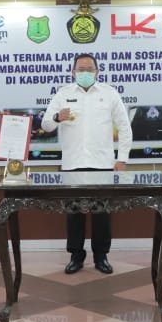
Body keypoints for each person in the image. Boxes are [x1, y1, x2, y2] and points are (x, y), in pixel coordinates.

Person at [41, 53, 132, 274]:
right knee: (74, 213)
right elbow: (45, 125)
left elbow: (124, 126)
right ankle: (76, 256)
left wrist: (122, 159)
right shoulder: (63, 94)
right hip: (73, 164)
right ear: (73, 72)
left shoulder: (109, 93)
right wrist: (57, 118)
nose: (85, 73)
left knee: (102, 214)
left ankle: (101, 256)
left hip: (103, 164)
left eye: (89, 69)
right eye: (80, 69)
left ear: (97, 71)